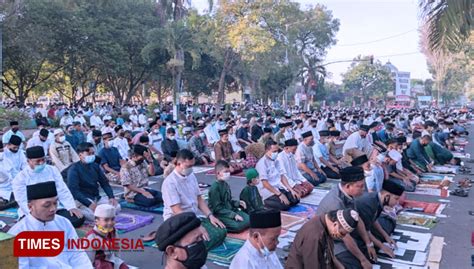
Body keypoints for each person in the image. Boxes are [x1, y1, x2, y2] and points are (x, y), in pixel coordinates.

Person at [8, 181, 93, 269]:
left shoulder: (63, 223)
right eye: (47, 205)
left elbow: (77, 254)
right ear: (30, 207)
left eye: (55, 203)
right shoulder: (17, 234)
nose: (53, 209)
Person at [161, 149, 226, 250]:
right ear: (179, 163)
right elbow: (177, 211)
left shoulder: (191, 176)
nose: (191, 169)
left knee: (221, 231)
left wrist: (210, 216)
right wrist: (195, 226)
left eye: (192, 165)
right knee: (202, 240)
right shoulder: (169, 183)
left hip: (193, 217)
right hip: (177, 221)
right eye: (188, 166)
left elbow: (199, 199)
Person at [316, 166, 374, 269]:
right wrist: (363, 260)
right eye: (360, 186)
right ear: (348, 186)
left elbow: (357, 218)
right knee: (357, 265)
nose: (363, 189)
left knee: (370, 250)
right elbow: (345, 237)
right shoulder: (335, 203)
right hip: (330, 240)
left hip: (344, 234)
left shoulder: (348, 194)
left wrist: (368, 243)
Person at [12, 146, 85, 227]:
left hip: (54, 209)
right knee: (34, 226)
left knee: (78, 218)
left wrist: (71, 207)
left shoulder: (52, 170)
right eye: (38, 161)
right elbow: (22, 201)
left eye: (43, 160)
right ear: (28, 161)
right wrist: (36, 215)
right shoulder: (20, 178)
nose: (41, 163)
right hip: (35, 212)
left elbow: (62, 190)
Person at [351, 180, 405, 264]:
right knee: (369, 255)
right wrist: (382, 246)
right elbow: (365, 230)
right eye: (396, 199)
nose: (397, 203)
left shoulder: (379, 199)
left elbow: (374, 219)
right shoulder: (368, 203)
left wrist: (386, 236)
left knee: (386, 230)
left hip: (367, 226)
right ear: (387, 196)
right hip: (355, 231)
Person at [286, 209, 360, 269]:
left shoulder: (325, 222)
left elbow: (330, 256)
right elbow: (313, 266)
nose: (342, 237)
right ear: (335, 224)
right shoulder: (315, 236)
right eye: (342, 234)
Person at [67, 142, 120, 221]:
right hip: (82, 200)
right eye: (89, 154)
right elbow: (74, 191)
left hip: (96, 197)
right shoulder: (74, 169)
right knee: (94, 216)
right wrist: (89, 204)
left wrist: (111, 197)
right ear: (80, 155)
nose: (92, 156)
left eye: (93, 153)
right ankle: (80, 210)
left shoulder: (95, 166)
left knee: (117, 207)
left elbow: (104, 183)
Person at [256, 140, 300, 211]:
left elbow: (282, 176)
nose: (276, 153)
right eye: (274, 151)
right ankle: (265, 202)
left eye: (277, 151)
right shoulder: (262, 163)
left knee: (296, 199)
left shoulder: (276, 161)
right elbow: (265, 184)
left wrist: (291, 190)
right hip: (268, 191)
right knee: (285, 205)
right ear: (267, 151)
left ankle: (280, 198)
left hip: (278, 187)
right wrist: (279, 194)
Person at [208, 160, 250, 233]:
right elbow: (217, 209)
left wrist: (238, 203)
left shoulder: (225, 184)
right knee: (238, 226)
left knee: (249, 219)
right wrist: (233, 215)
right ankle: (219, 224)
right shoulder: (215, 188)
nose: (228, 174)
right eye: (225, 172)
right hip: (220, 214)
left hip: (229, 210)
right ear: (218, 173)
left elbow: (228, 201)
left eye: (228, 171)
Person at [85, 204, 129, 269]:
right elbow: (89, 258)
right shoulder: (91, 237)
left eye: (112, 219)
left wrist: (119, 261)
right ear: (96, 222)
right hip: (98, 262)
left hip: (110, 258)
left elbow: (117, 248)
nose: (110, 223)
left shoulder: (113, 231)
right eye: (106, 220)